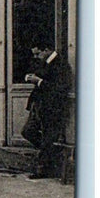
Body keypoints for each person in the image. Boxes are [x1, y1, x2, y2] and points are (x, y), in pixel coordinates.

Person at [22, 41, 73, 179]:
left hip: (52, 108)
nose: (37, 57)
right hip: (38, 106)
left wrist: (39, 81)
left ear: (47, 49)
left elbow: (60, 88)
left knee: (48, 138)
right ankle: (53, 154)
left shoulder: (60, 64)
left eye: (38, 53)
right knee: (28, 131)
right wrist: (32, 77)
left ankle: (44, 168)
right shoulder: (45, 61)